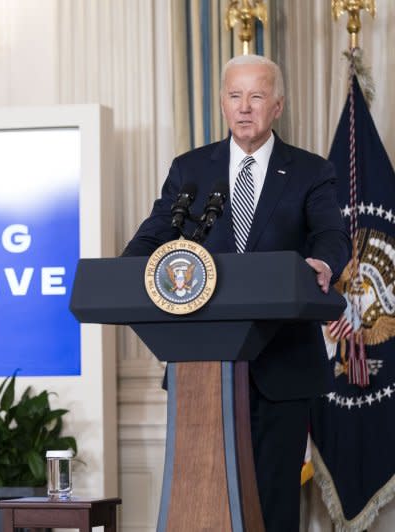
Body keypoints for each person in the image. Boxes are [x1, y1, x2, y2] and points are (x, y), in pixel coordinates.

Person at [121, 54, 351, 531]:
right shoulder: (190, 169)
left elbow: (332, 236)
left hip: (282, 370)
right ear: (222, 104)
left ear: (278, 105)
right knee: (201, 502)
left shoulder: (311, 171)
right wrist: (127, 272)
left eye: (257, 96)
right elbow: (155, 234)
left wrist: (323, 264)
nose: (245, 107)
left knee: (272, 506)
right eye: (234, 96)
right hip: (200, 373)